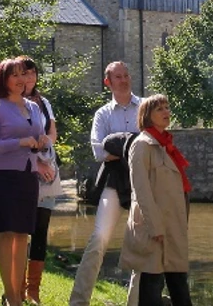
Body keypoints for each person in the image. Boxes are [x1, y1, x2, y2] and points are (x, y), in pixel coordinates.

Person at [69, 61, 143, 306]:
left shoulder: (144, 107)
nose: (124, 80)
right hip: (113, 180)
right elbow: (98, 151)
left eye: (126, 75)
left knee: (142, 242)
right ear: (108, 82)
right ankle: (79, 301)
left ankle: (135, 302)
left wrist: (117, 145)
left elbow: (153, 144)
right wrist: (131, 145)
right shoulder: (102, 113)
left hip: (141, 181)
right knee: (99, 237)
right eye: (118, 76)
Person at [0, 58, 50, 306]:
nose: (21, 80)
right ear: (3, 80)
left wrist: (42, 142)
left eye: (23, 74)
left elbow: (43, 137)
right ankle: (11, 296)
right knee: (6, 234)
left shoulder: (33, 107)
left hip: (28, 176)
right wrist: (18, 143)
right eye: (15, 75)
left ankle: (17, 294)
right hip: (3, 176)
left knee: (23, 235)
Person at [120, 94, 193, 306]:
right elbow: (140, 190)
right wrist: (155, 226)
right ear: (147, 116)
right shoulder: (142, 145)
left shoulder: (165, 145)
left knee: (179, 283)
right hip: (154, 228)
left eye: (167, 107)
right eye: (159, 109)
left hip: (172, 226)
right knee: (152, 286)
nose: (166, 112)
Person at [19, 56, 59, 305]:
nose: (29, 78)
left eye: (32, 73)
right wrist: (37, 162)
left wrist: (47, 147)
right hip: (23, 171)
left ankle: (33, 291)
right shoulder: (12, 103)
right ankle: (16, 288)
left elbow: (52, 131)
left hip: (46, 174)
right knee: (22, 230)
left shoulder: (43, 102)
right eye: (24, 73)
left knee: (41, 230)